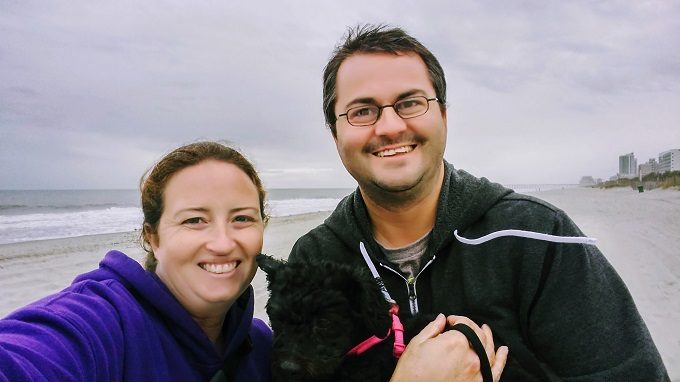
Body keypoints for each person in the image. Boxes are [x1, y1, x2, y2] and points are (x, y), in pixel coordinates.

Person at [288, 24, 670, 381]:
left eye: (410, 103)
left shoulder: (537, 238)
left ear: (443, 116)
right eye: (362, 111)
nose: (389, 127)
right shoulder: (315, 260)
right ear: (335, 133)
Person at [0, 141, 272, 381]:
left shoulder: (265, 348)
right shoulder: (105, 324)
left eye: (242, 218)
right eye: (194, 220)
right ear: (153, 238)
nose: (222, 243)